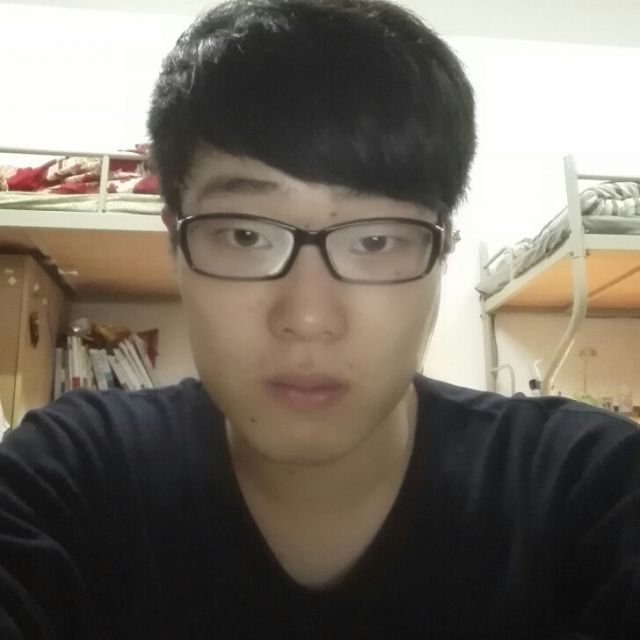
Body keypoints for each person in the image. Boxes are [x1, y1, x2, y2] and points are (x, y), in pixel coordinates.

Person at [1, 1, 639, 638]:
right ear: (174, 242)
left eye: (375, 241)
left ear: (443, 249)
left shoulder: (590, 487)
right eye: (246, 235)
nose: (308, 317)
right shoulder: (71, 477)